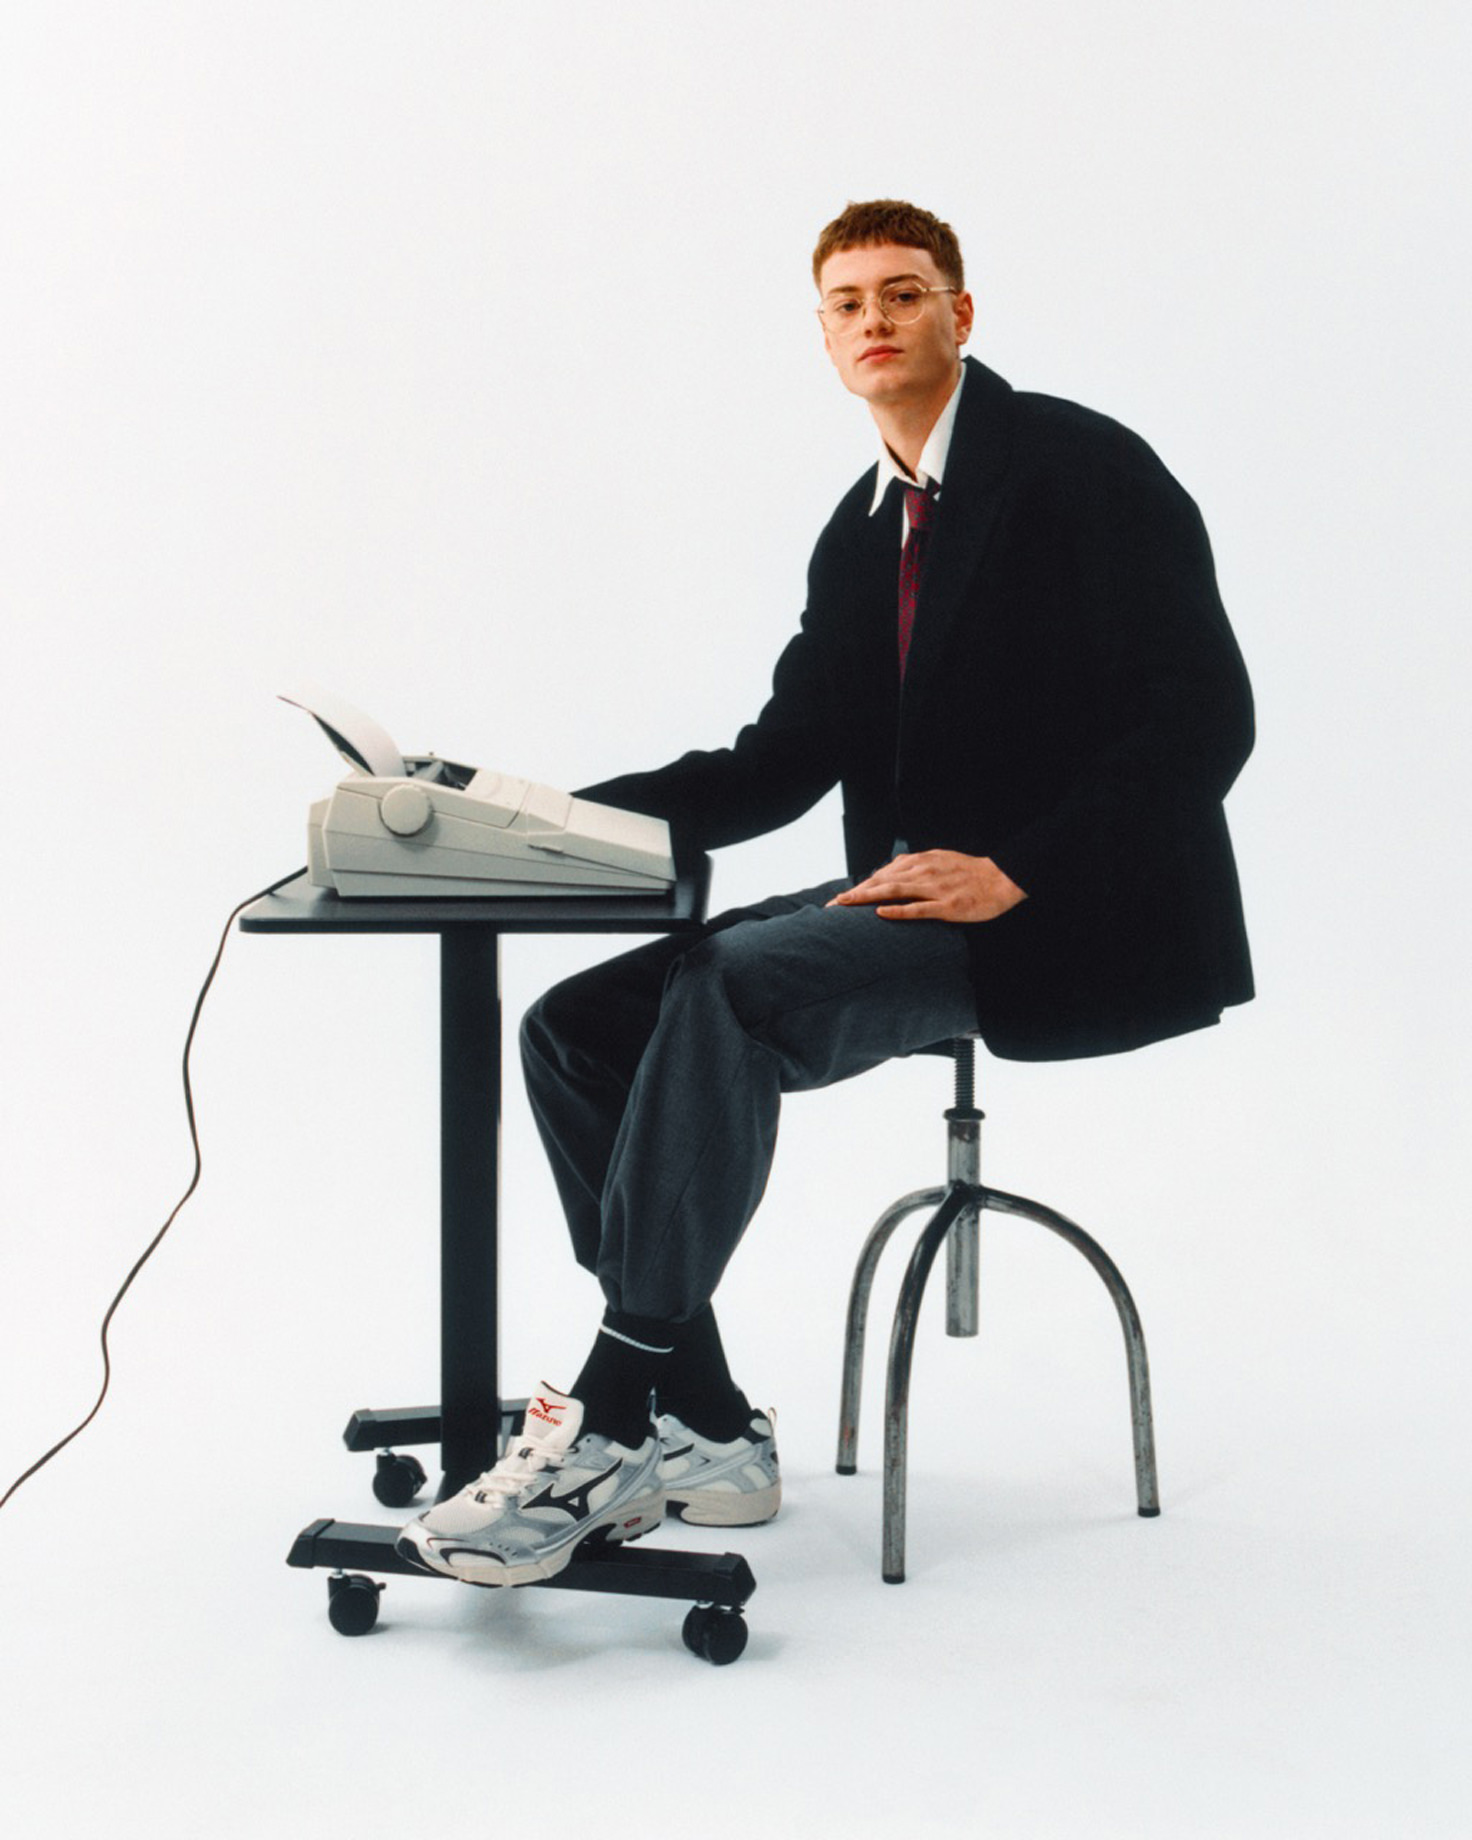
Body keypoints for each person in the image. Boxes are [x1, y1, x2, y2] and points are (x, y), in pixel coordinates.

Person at [396, 199, 1253, 1586]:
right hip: (912, 894)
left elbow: (1206, 718)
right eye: (848, 303)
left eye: (903, 293)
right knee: (576, 1028)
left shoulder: (1082, 467)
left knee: (726, 988)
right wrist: (536, 816)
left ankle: (609, 1416)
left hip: (1076, 913)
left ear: (960, 314)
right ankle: (704, 1421)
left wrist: (1016, 869)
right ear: (823, 334)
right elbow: (779, 763)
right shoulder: (863, 534)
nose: (876, 321)